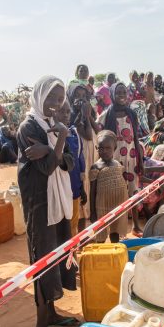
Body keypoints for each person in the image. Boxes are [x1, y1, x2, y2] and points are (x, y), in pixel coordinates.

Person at [17, 75, 77, 327]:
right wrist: (60, 139)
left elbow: (68, 161)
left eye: (59, 98)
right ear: (40, 96)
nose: (55, 103)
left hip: (58, 201)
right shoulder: (29, 127)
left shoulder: (51, 125)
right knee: (43, 260)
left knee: (56, 256)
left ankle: (51, 314)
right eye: (51, 97)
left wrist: (53, 149)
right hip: (40, 204)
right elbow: (45, 169)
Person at [97, 82, 144, 235]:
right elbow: (98, 136)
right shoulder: (106, 115)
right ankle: (115, 230)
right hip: (114, 161)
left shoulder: (131, 114)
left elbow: (136, 138)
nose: (122, 96)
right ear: (111, 95)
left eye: (124, 92)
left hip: (131, 159)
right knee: (115, 193)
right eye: (118, 93)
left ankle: (136, 225)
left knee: (133, 191)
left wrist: (141, 159)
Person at [89, 131, 129, 243]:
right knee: (100, 233)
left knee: (115, 232)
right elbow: (92, 191)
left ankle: (114, 251)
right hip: (101, 206)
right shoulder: (96, 167)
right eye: (101, 148)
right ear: (97, 148)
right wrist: (92, 212)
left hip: (117, 204)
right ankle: (101, 255)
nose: (104, 151)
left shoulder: (118, 164)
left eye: (108, 148)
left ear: (114, 148)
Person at [69, 82, 97, 230]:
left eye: (84, 96)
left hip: (91, 155)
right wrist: (84, 115)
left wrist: (89, 115)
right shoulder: (72, 115)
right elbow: (87, 135)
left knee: (90, 188)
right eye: (77, 96)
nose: (81, 99)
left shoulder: (89, 113)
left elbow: (96, 129)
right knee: (82, 190)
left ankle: (86, 230)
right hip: (81, 158)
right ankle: (79, 233)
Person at [56, 100, 86, 236]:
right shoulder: (51, 135)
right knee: (61, 226)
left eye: (68, 112)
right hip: (59, 190)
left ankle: (72, 254)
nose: (66, 115)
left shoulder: (75, 135)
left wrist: (82, 189)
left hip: (74, 189)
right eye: (61, 111)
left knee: (73, 224)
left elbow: (80, 163)